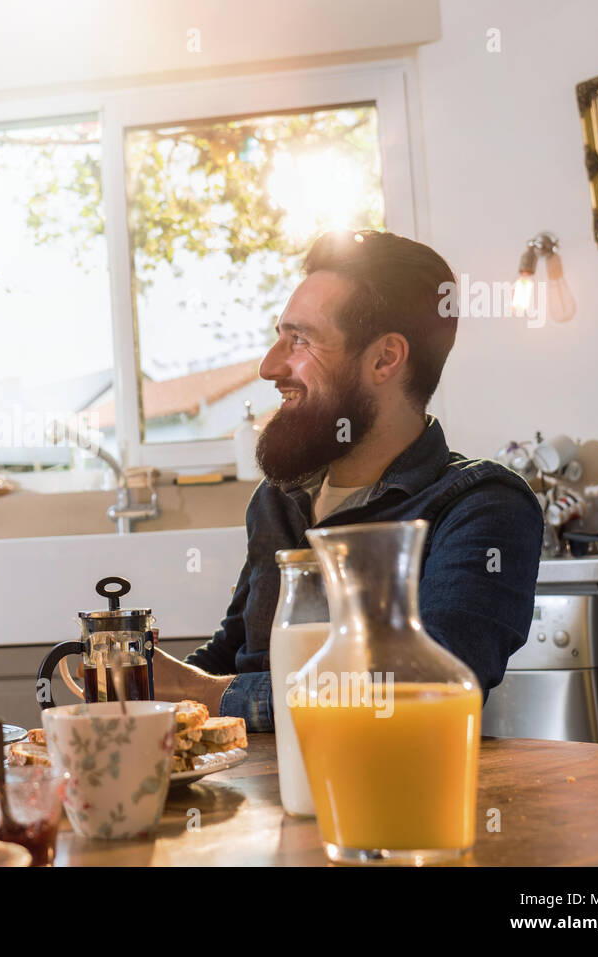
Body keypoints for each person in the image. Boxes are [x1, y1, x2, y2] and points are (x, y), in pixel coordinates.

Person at [151, 229, 543, 730]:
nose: (269, 366)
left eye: (300, 340)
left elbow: (426, 689)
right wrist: (149, 689)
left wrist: (200, 694)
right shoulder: (278, 500)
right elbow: (239, 655)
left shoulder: (480, 506)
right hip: (258, 797)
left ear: (384, 359)